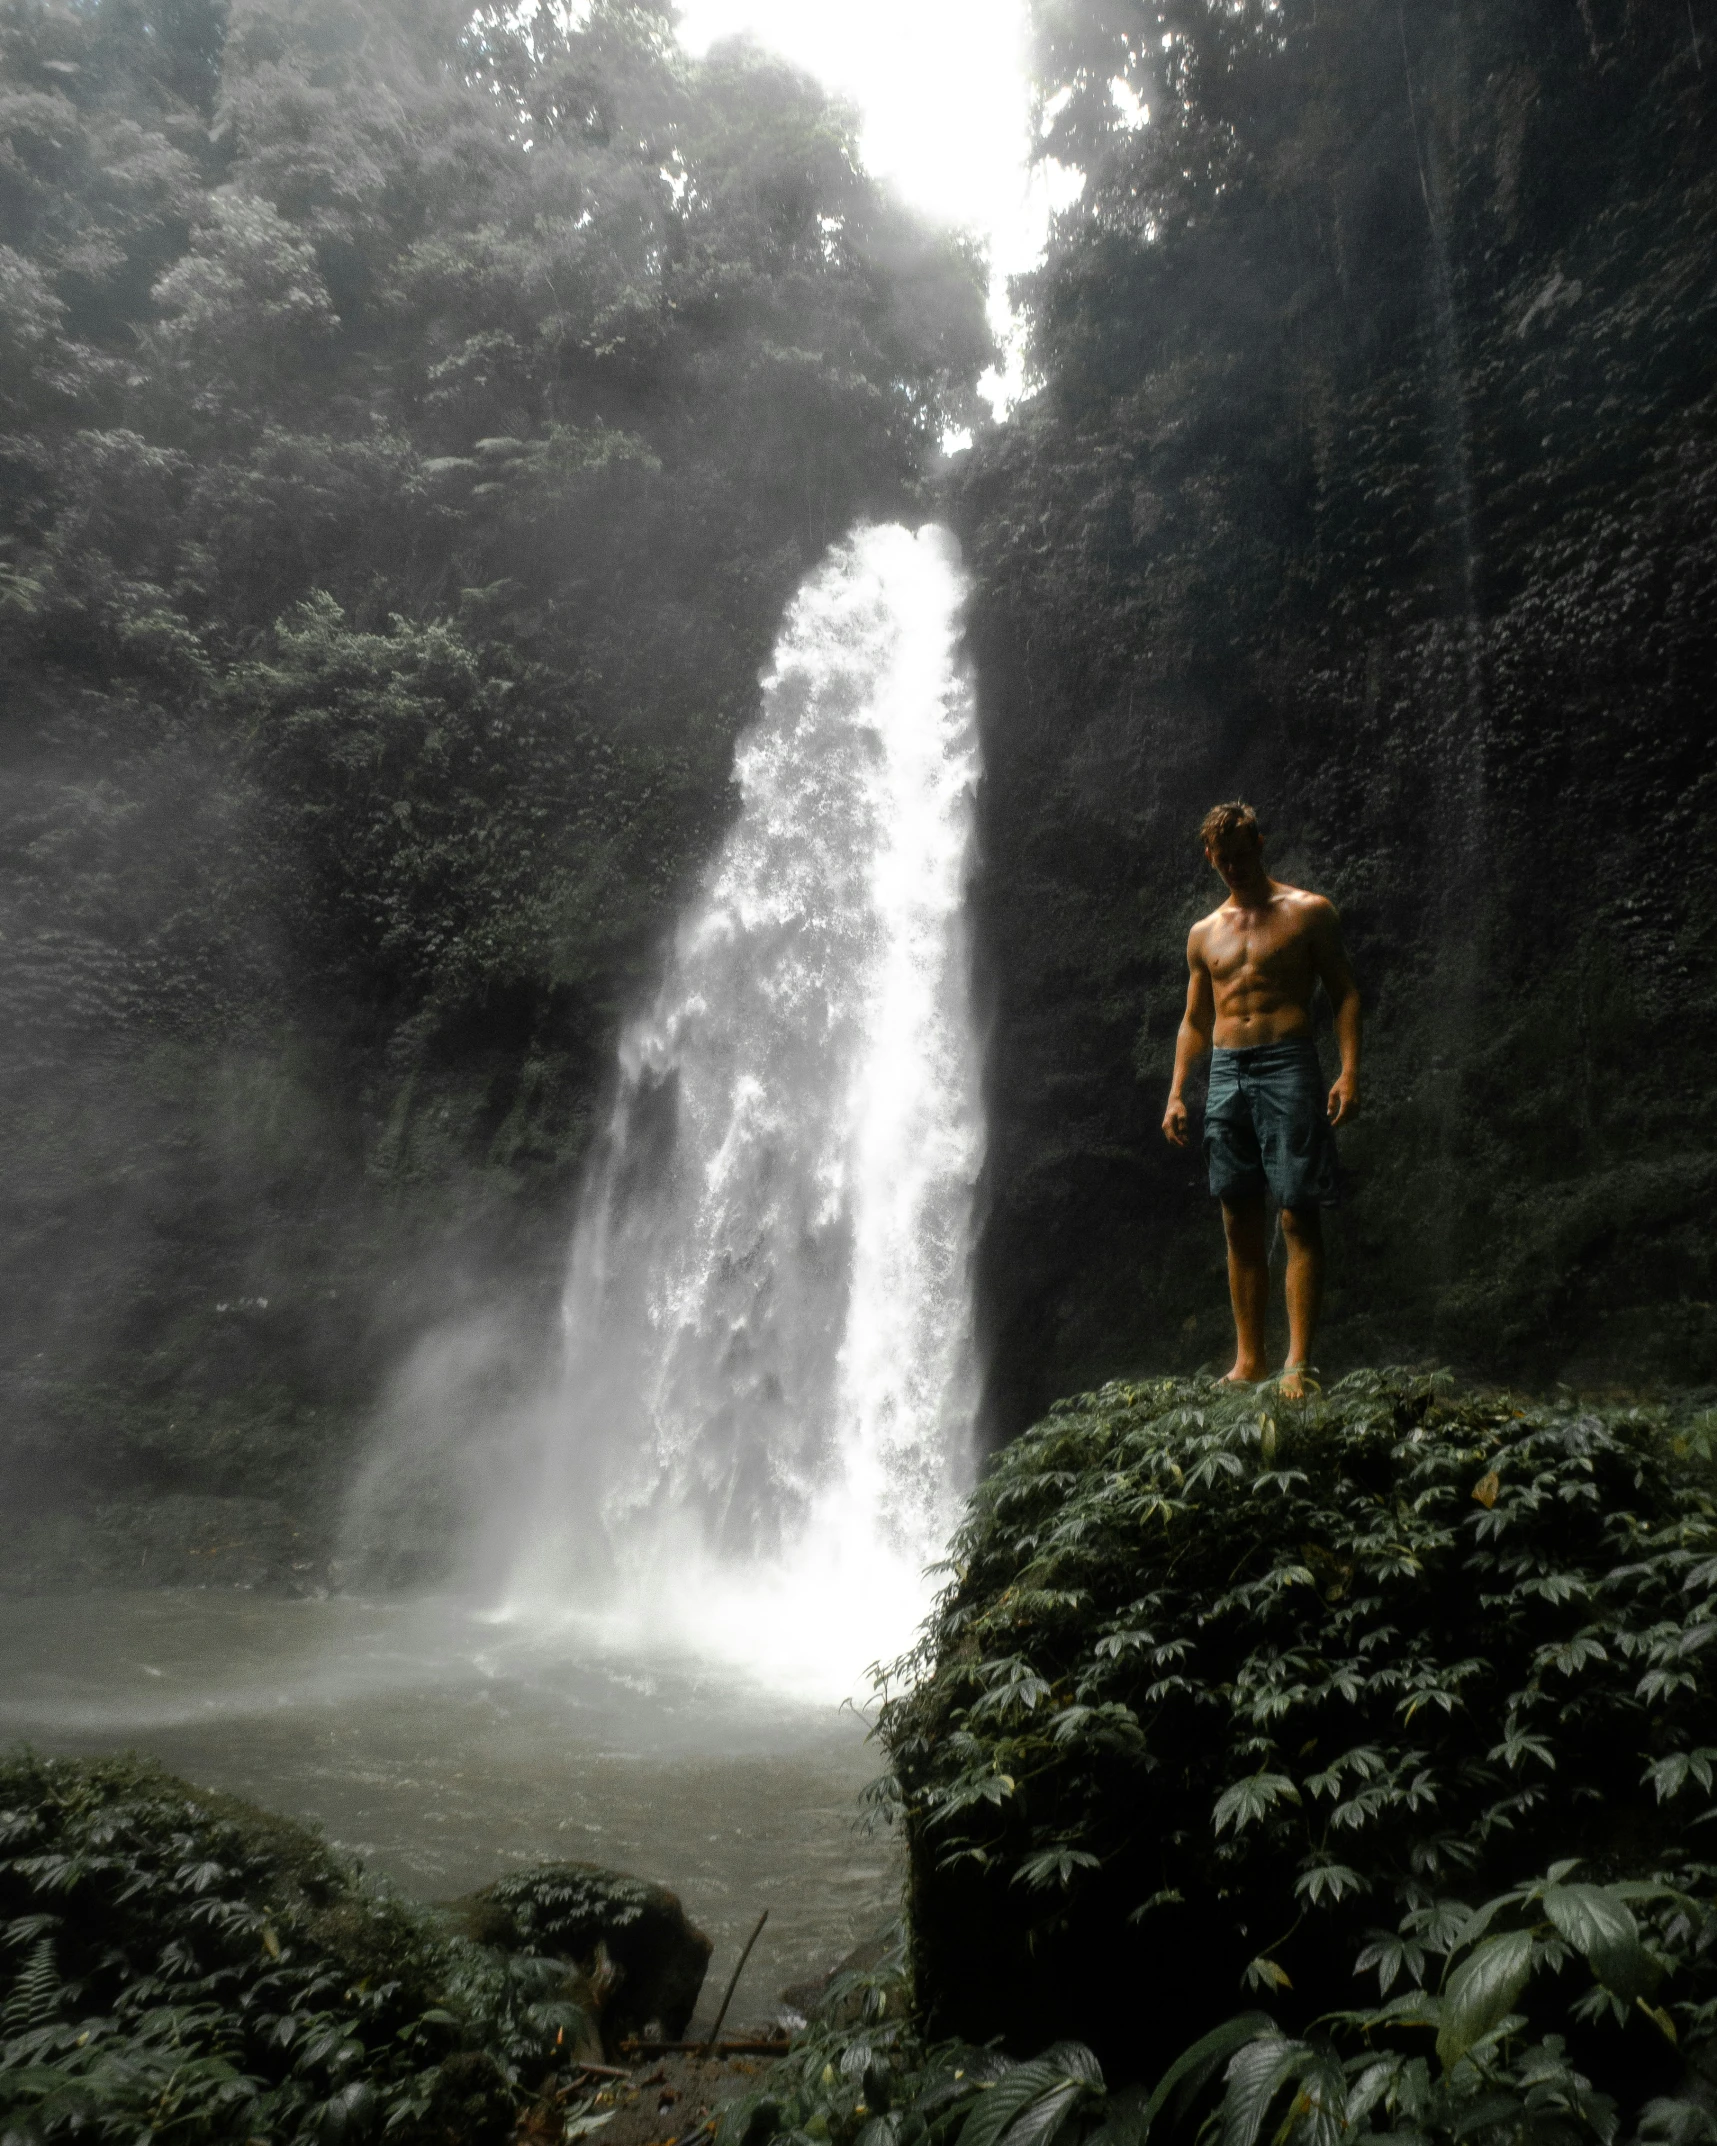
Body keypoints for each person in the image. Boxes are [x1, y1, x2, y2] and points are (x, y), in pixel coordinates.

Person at [1161, 801, 1360, 1398]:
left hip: (1287, 1062)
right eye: (1224, 862)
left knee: (1297, 1210)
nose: (1235, 870)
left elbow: (1345, 994)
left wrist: (1349, 1072)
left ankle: (1297, 1363)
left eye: (1243, 857)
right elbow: (1194, 1020)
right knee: (1237, 1215)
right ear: (1210, 859)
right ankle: (1250, 1360)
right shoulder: (1204, 934)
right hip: (1226, 1071)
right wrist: (1176, 1091)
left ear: (1261, 845)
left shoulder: (1308, 913)